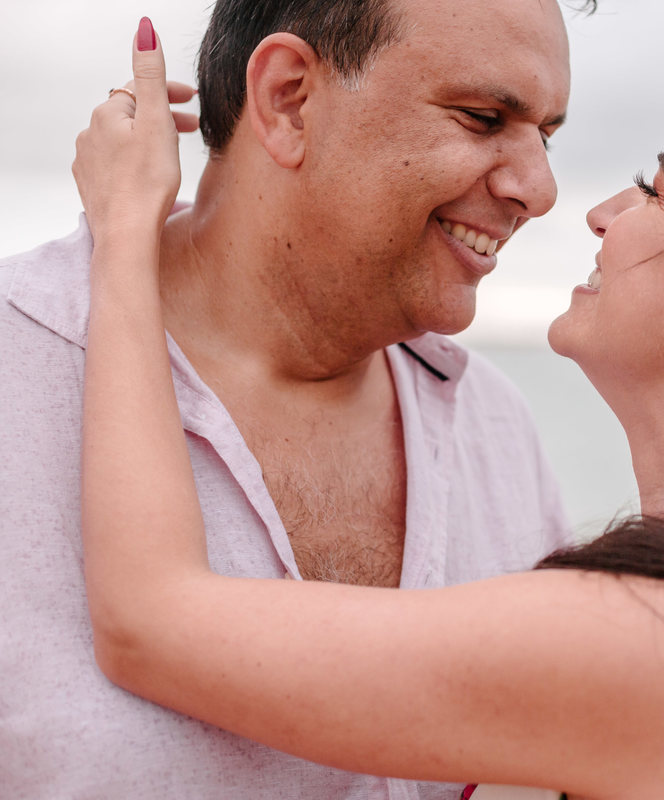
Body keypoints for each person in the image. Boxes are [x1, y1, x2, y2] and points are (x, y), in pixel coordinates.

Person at [74, 19, 664, 800]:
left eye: (655, 190)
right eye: (483, 116)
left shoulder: (652, 647)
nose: (588, 210)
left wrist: (124, 234)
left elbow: (151, 620)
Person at [0, 2, 584, 797]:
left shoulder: (497, 428)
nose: (540, 190)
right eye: (483, 118)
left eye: (546, 135)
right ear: (288, 100)